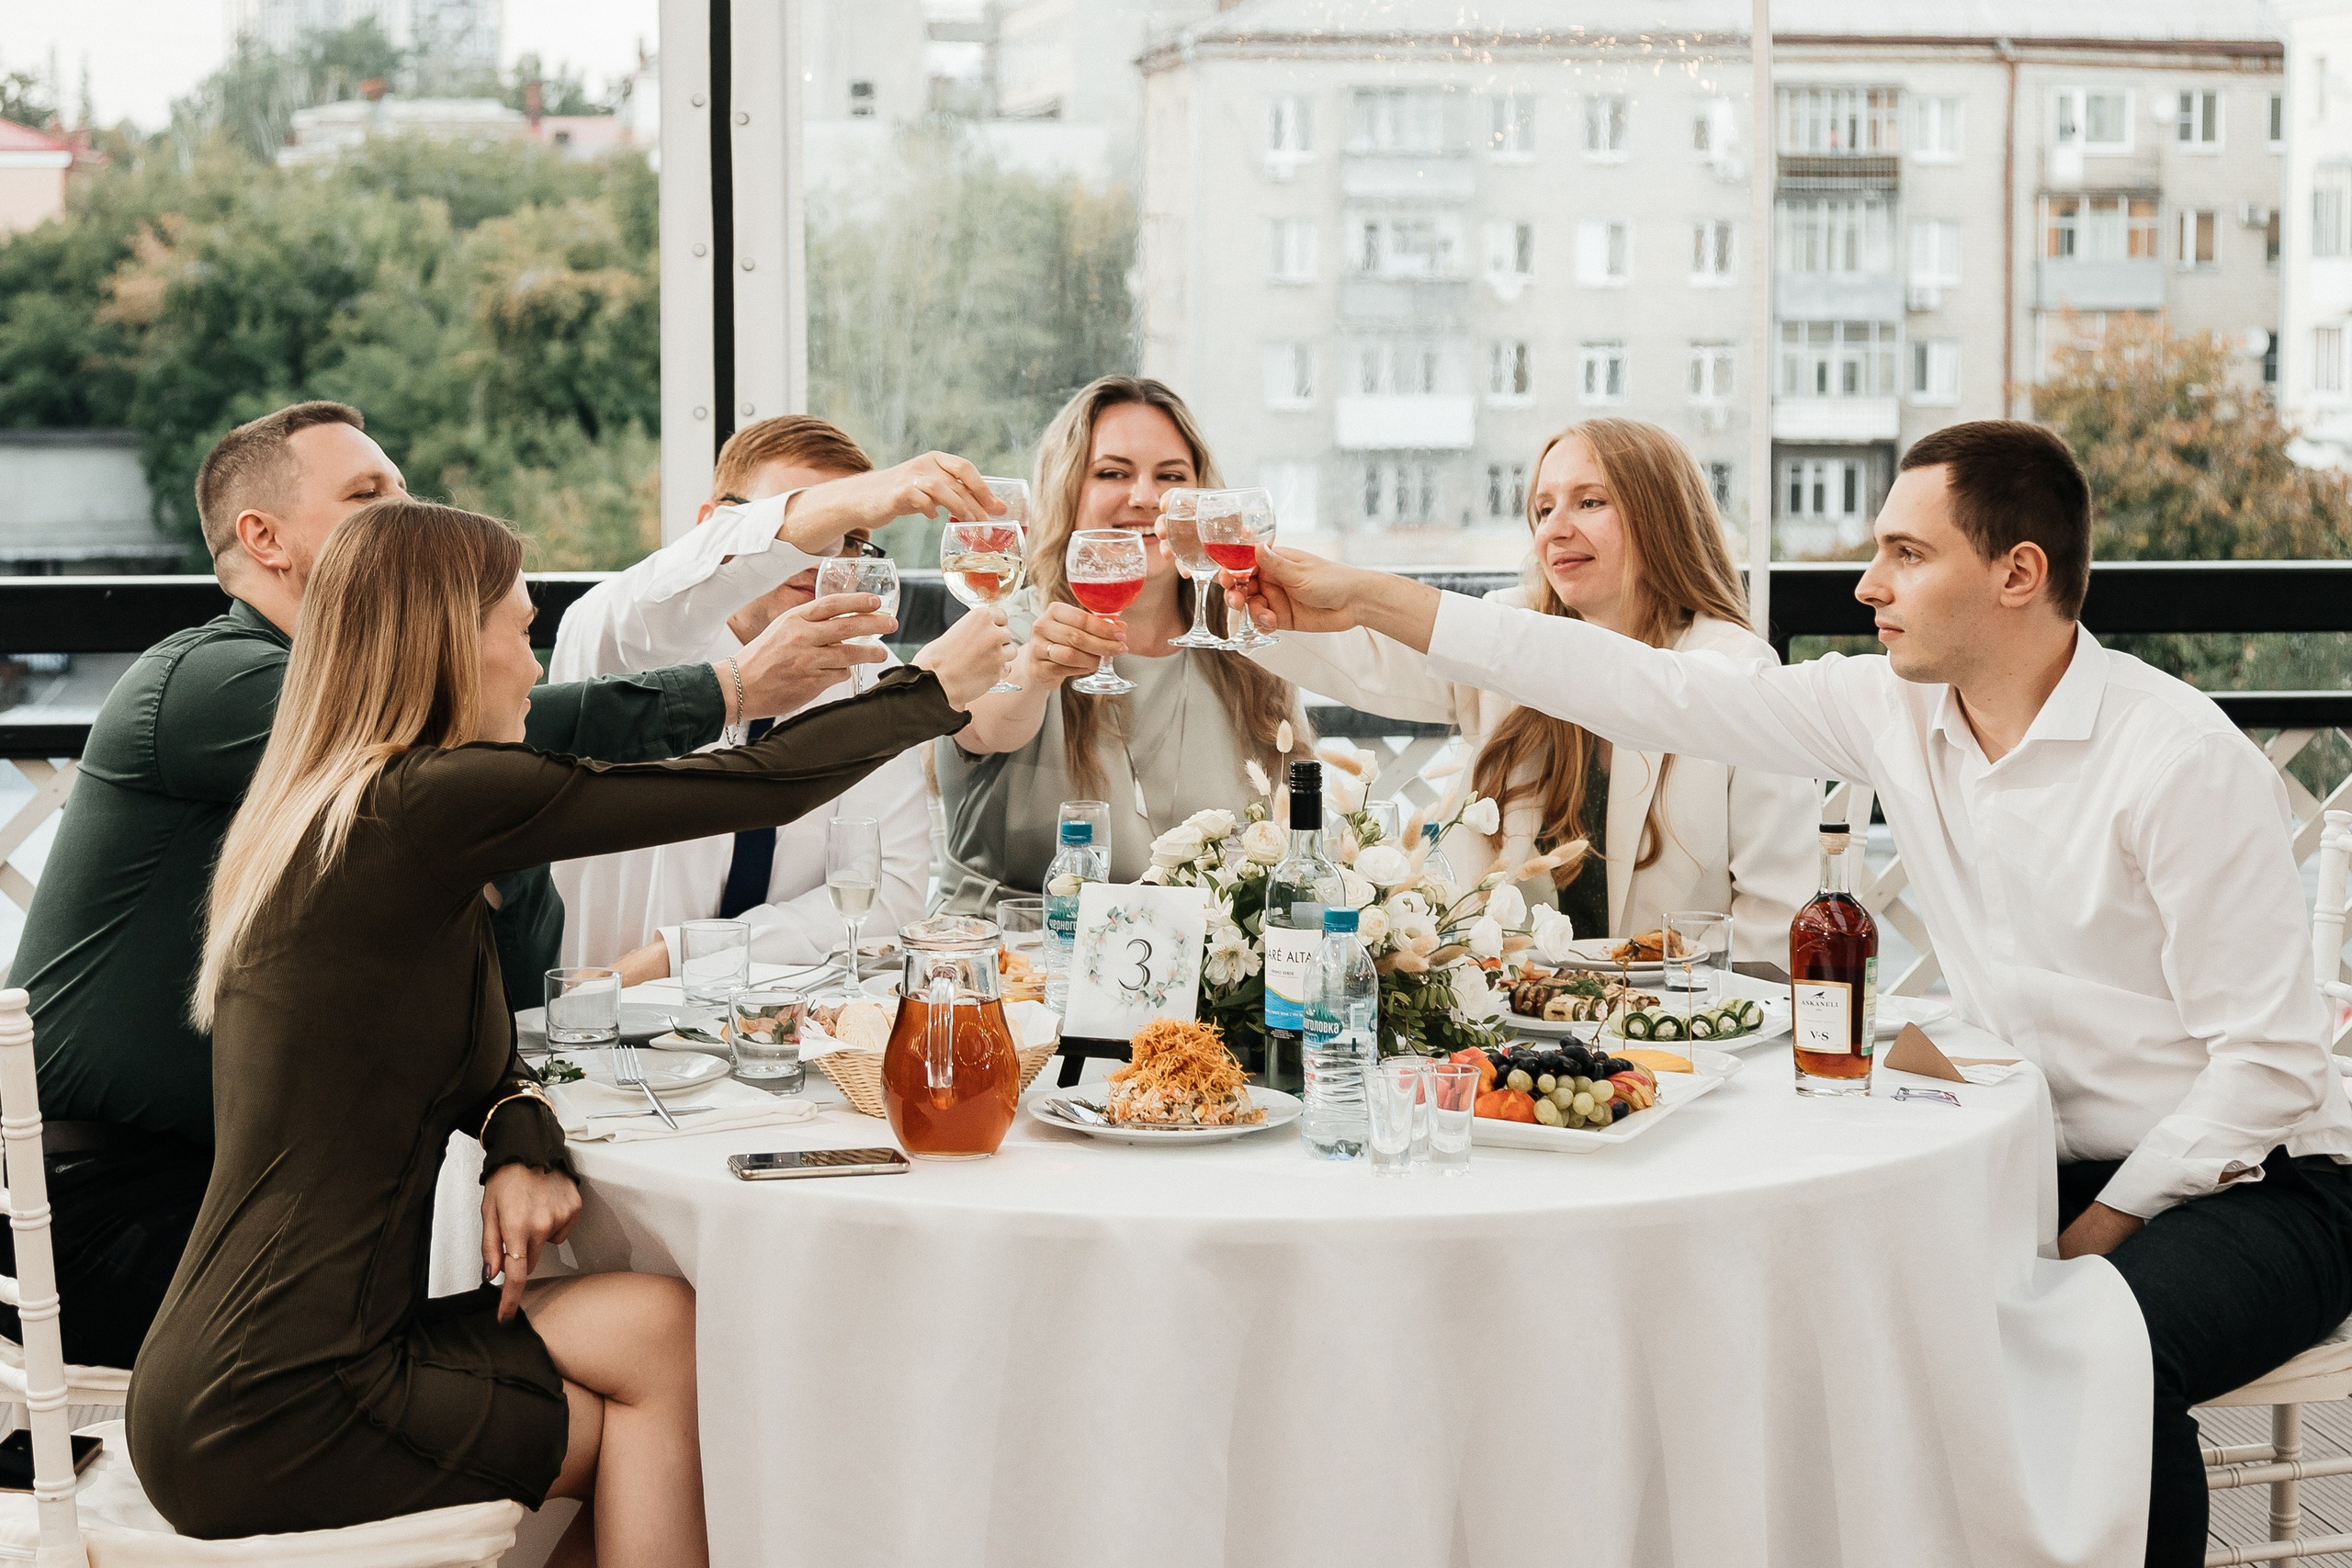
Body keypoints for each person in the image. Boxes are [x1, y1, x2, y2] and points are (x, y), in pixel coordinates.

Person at [1231, 418, 2352, 1566]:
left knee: (2096, 1346)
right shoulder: (1892, 711)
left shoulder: (2175, 760)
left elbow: (2267, 1069)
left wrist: (2098, 1229)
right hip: (2041, 1151)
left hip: (2262, 1182)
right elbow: (1633, 683)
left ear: (2019, 573)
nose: (1868, 584)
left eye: (1907, 555)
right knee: (1840, 1311)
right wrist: (1366, 594)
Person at [126, 498, 1014, 1553]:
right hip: (278, 1399)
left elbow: (484, 1046)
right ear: (453, 644)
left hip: (251, 1359)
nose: (536, 668)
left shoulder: (342, 815)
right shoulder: (429, 801)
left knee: (656, 1327)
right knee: (652, 1421)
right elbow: (755, 786)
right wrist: (930, 691)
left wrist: (521, 1141)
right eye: (519, 631)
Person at [1, 400, 865, 1371]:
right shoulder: (213, 683)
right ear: (264, 539)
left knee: (619, 1324)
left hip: (268, 1198)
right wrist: (728, 693)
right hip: (97, 1207)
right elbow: (467, 755)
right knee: (622, 1344)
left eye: (404, 488)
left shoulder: (433, 759)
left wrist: (514, 1137)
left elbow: (508, 972)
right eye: (369, 494)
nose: (404, 510)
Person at [1242, 418, 1811, 958]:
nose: (1555, 529)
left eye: (1590, 501)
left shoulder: (1734, 672)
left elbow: (1777, 915)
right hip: (1515, 1022)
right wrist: (1254, 601)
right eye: (1543, 509)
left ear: (1662, 517)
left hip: (1681, 1031)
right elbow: (1372, 656)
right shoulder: (1511, 636)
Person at [550, 416, 994, 984]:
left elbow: (889, 895)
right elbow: (678, 583)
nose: (827, 556)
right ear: (711, 525)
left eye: (852, 539)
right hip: (598, 1033)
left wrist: (679, 955)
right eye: (814, 525)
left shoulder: (872, 675)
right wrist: (851, 500)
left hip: (786, 1029)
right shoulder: (622, 637)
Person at [937, 376, 1306, 910]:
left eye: (1171, 476)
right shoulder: (1010, 628)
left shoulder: (1248, 653)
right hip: (1010, 968)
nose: (1145, 497)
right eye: (1113, 473)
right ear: (1069, 489)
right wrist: (1036, 674)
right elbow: (984, 725)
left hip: (1194, 976)